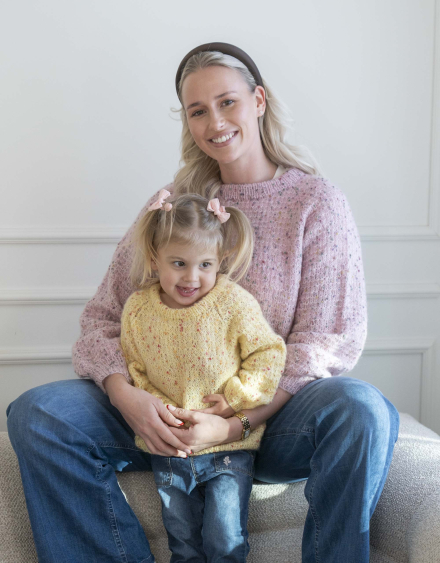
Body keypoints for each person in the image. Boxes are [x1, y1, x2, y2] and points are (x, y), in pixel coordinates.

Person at [6, 41, 400, 563]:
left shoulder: (315, 202)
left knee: (364, 409)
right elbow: (103, 316)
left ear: (258, 100)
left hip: (274, 423)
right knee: (37, 414)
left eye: (227, 102)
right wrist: (130, 401)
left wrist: (235, 424)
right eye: (197, 110)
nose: (215, 121)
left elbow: (327, 340)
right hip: (165, 418)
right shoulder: (172, 204)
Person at [120, 191, 286, 561]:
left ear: (219, 261)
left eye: (205, 265)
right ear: (154, 259)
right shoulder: (137, 311)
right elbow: (136, 371)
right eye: (179, 263)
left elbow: (268, 353)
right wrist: (164, 414)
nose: (192, 277)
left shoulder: (233, 303)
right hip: (170, 449)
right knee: (182, 541)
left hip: (228, 452)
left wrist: (236, 398)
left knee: (225, 539)